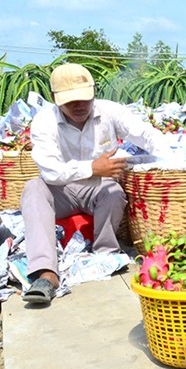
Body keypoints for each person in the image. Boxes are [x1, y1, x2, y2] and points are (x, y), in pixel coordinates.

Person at [20, 63, 173, 305]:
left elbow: (145, 134)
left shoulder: (110, 111)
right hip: (62, 189)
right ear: (54, 99)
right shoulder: (44, 121)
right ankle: (45, 272)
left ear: (93, 92)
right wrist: (92, 167)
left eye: (84, 98)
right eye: (71, 102)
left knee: (113, 191)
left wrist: (170, 159)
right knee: (33, 188)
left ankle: (105, 254)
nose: (79, 106)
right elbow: (50, 170)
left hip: (98, 188)